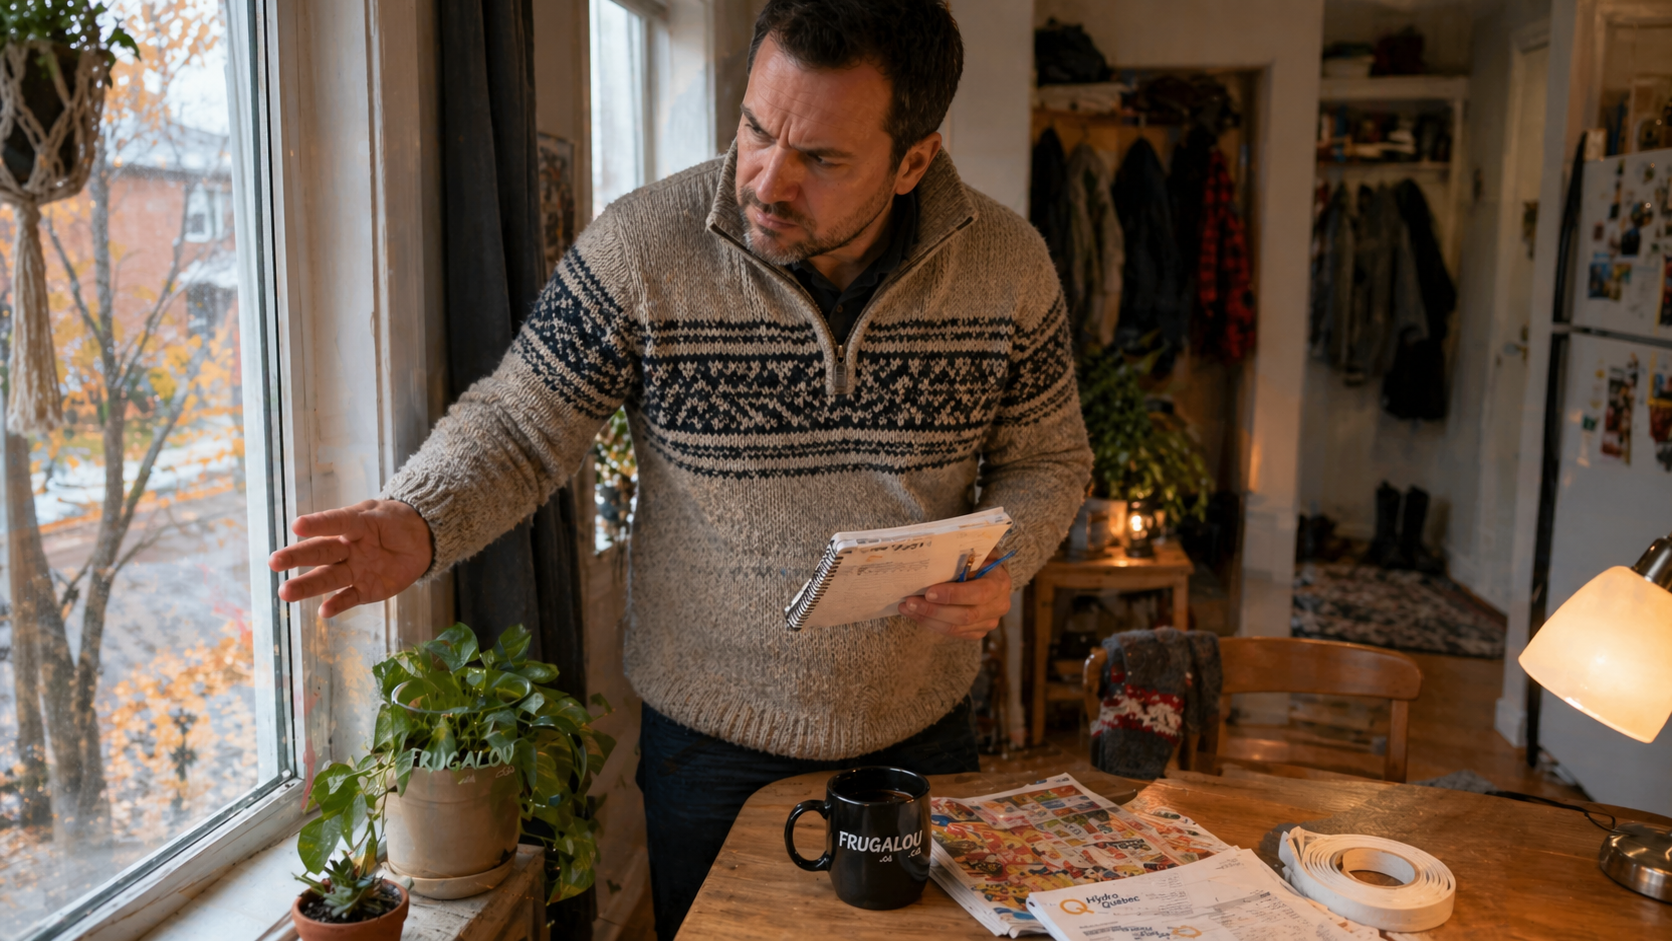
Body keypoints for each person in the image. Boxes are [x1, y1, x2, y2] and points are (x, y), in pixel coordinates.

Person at [268, 1, 1091, 936]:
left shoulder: (1009, 266)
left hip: (922, 729)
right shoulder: (644, 245)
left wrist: (1004, 561)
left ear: (914, 160)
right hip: (708, 749)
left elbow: (1049, 459)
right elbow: (521, 422)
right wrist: (416, 519)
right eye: (754, 128)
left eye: (820, 158)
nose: (767, 180)